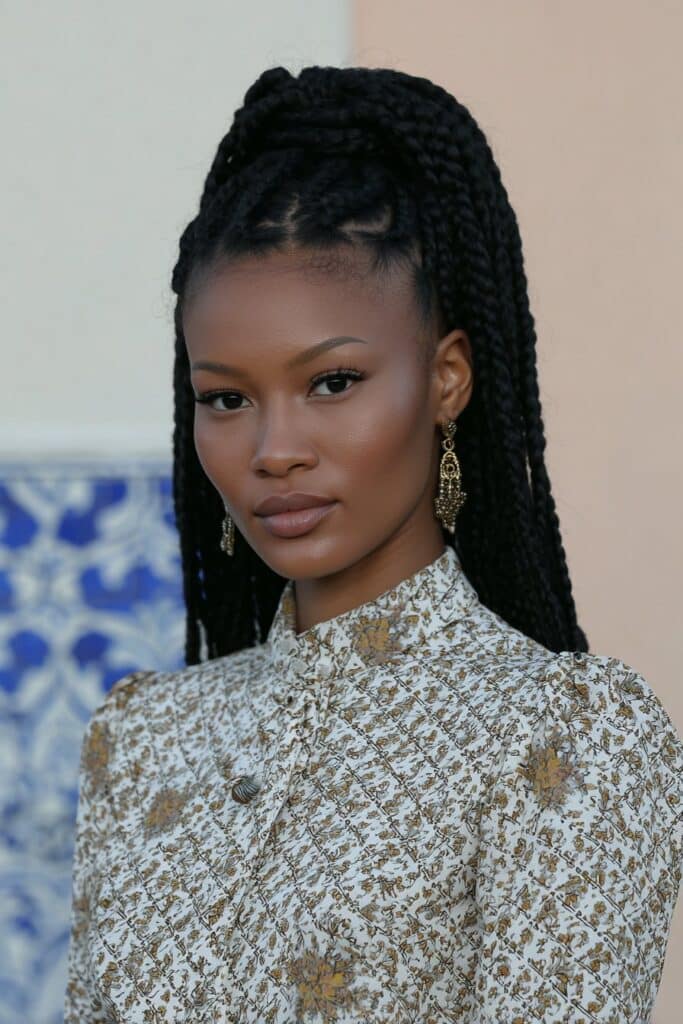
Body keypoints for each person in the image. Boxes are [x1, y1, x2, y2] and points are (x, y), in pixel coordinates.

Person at [64, 64, 683, 1023]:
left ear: (447, 378)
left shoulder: (563, 738)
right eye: (225, 398)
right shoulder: (140, 742)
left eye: (334, 382)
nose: (274, 450)